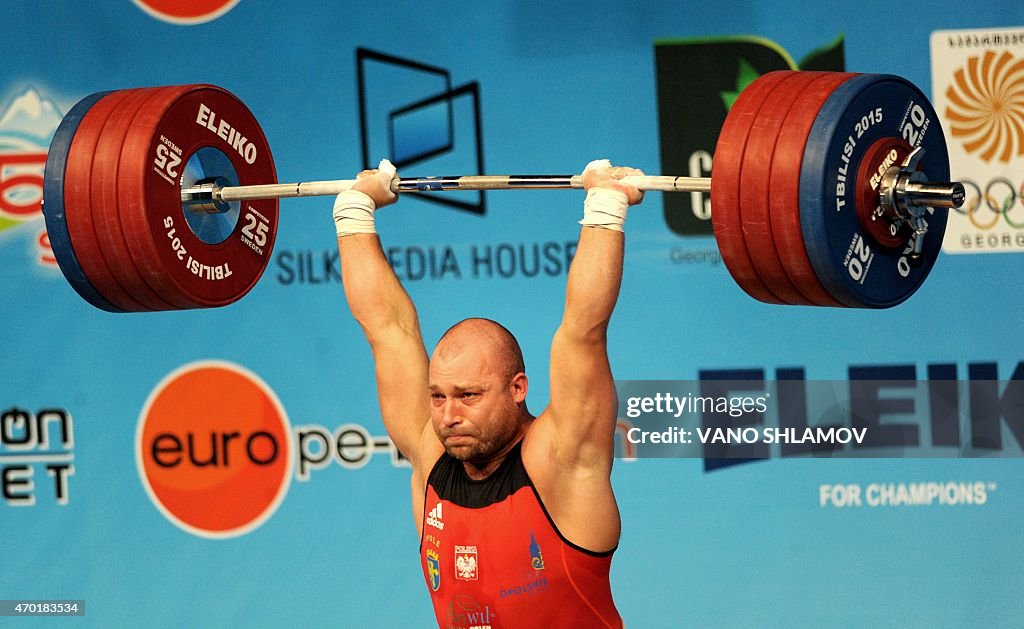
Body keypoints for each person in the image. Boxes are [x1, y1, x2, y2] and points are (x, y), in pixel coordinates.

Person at [334, 158, 644, 628]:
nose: (448, 415)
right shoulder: (430, 452)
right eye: (438, 397)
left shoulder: (560, 461)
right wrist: (354, 210)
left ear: (518, 388)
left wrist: (605, 204)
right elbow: (387, 329)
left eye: (469, 396)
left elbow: (584, 332)